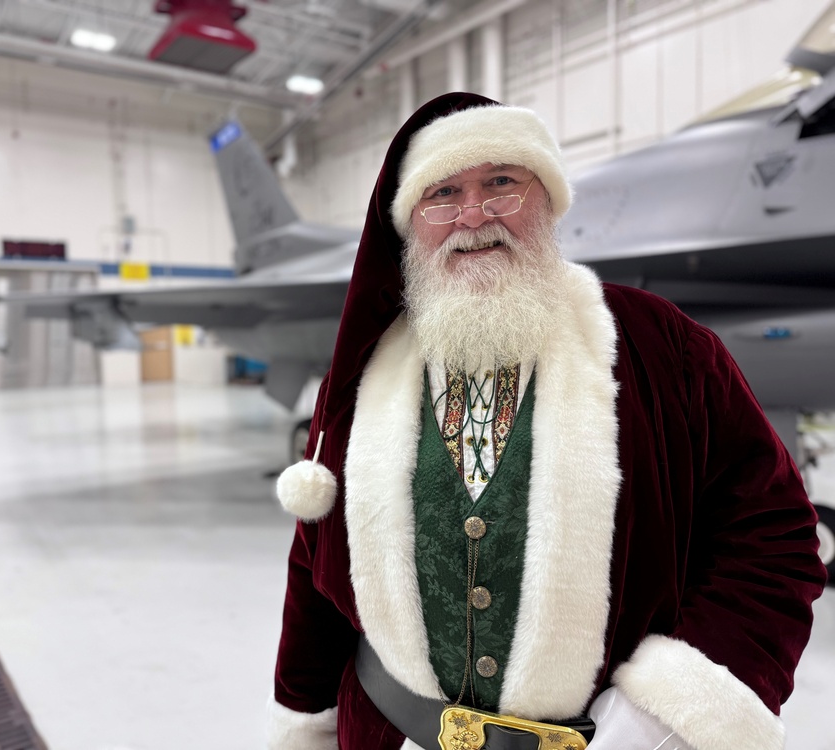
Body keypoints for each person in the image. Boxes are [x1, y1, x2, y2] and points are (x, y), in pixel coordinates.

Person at [266, 92, 826, 750]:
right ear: (409, 224)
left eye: (502, 183)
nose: (473, 215)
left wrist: (666, 716)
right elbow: (315, 564)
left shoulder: (663, 347)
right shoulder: (362, 377)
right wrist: (305, 717)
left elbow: (773, 534)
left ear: (548, 198)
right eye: (442, 194)